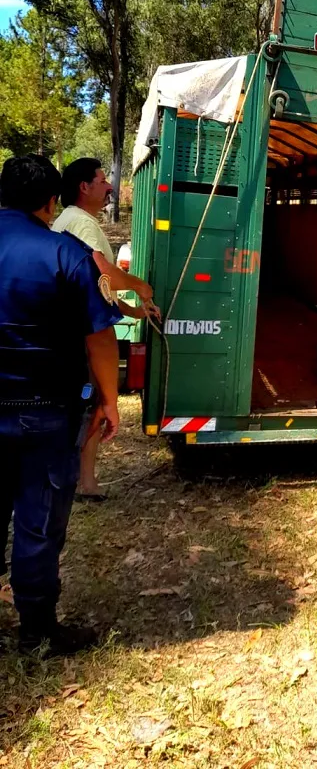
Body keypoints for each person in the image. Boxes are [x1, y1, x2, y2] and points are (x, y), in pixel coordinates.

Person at [0, 154, 123, 655]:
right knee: (38, 520)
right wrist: (110, 403)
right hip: (44, 413)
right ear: (52, 202)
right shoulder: (65, 254)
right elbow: (99, 338)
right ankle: (36, 633)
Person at [52, 158, 158, 501]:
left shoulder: (76, 221)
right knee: (93, 404)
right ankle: (77, 481)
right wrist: (140, 286)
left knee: (92, 405)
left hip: (83, 327)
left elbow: (99, 289)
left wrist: (130, 311)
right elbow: (102, 273)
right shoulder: (80, 223)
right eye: (102, 180)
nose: (110, 186)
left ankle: (85, 482)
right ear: (85, 187)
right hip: (85, 335)